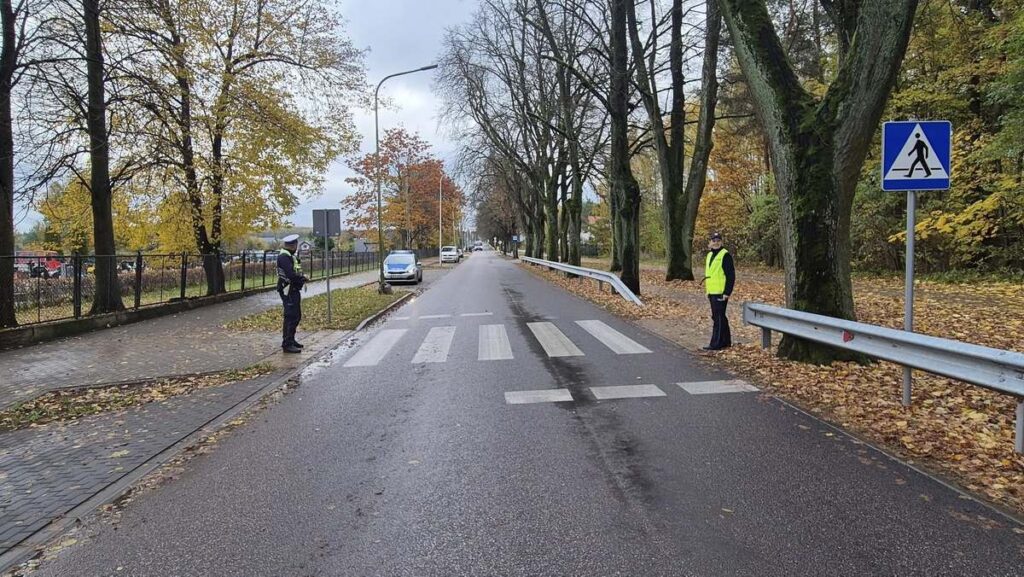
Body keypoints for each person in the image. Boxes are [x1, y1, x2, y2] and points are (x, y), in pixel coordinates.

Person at [703, 231, 735, 351]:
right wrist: (707, 290)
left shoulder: (725, 255)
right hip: (712, 291)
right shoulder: (710, 255)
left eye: (718, 241)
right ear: (710, 242)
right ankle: (726, 341)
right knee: (718, 316)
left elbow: (730, 275)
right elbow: (709, 274)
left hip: (721, 292)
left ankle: (716, 343)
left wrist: (727, 292)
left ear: (721, 242)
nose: (716, 243)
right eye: (714, 241)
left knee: (718, 317)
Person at [277, 234, 308, 354]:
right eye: (296, 245)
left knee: (296, 315)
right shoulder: (284, 257)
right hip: (287, 290)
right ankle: (287, 344)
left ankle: (291, 339)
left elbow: (295, 271)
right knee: (290, 316)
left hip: (293, 289)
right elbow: (290, 274)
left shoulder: (290, 256)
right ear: (292, 245)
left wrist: (301, 278)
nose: (297, 247)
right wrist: (302, 278)